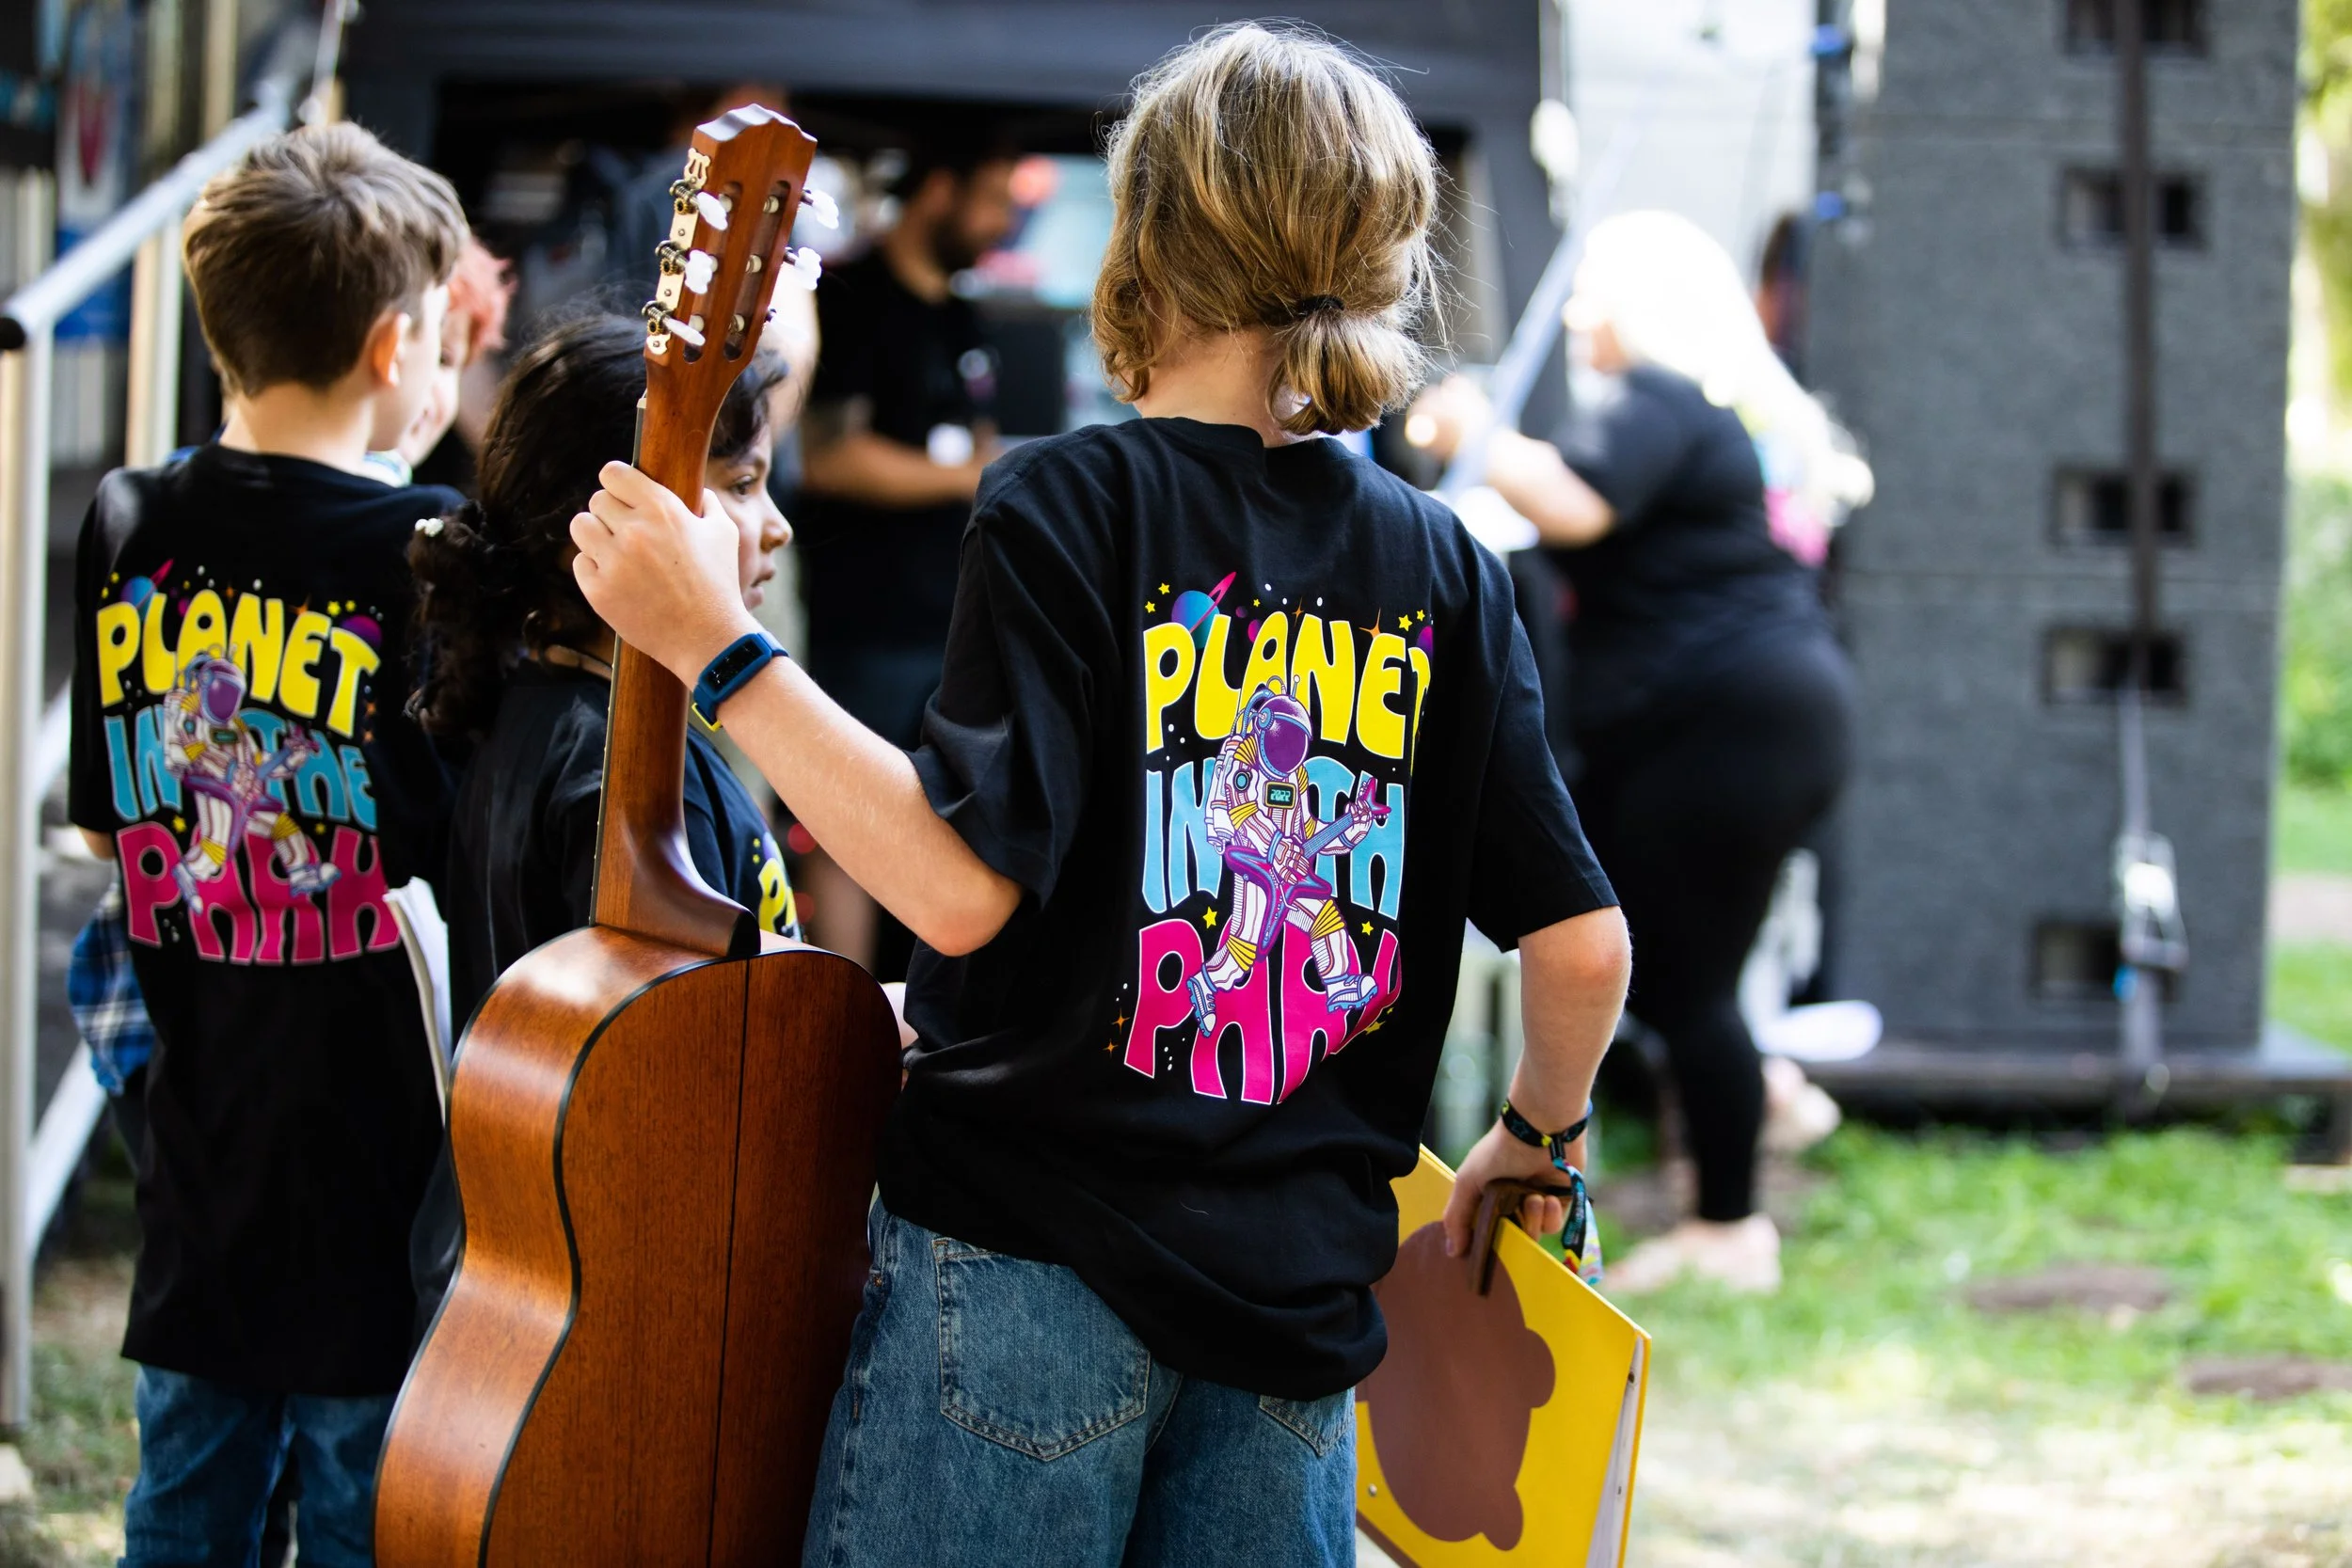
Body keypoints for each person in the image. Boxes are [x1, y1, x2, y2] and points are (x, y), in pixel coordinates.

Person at [567, 25, 1631, 1564]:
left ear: (1152, 245)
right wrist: (1541, 1131)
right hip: (1294, 1316)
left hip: (1022, 1271)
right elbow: (1582, 944)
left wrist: (714, 648)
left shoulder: (1068, 497)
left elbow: (953, 888)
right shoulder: (1447, 568)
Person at [65, 122, 467, 1566]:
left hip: (200, 1117)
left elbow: (118, 818)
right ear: (393, 344)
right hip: (375, 1140)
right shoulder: (428, 541)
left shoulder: (126, 521)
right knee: (366, 1502)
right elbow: (440, 819)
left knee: (188, 1489)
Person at [1410, 209, 1874, 1294]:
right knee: (1660, 962)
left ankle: (1729, 1224)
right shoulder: (1701, 418)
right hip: (1749, 718)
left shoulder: (1661, 401)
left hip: (1732, 720)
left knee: (1679, 976)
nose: (1574, 316)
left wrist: (1474, 425)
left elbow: (1574, 504)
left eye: (1591, 292)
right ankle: (1763, 1095)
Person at [400, 312, 801, 1325]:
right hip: (617, 1302)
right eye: (744, 484)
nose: (776, 524)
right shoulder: (621, 775)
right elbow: (681, 1085)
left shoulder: (553, 709)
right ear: (621, 519)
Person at [789, 133, 1018, 977]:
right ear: (938, 191)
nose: (1002, 222)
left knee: (951, 818)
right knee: (844, 815)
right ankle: (836, 1011)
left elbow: (983, 444)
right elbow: (827, 455)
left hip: (953, 615)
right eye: (991, 197)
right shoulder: (854, 295)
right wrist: (967, 476)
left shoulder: (963, 312)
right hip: (864, 615)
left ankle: (933, 1025)